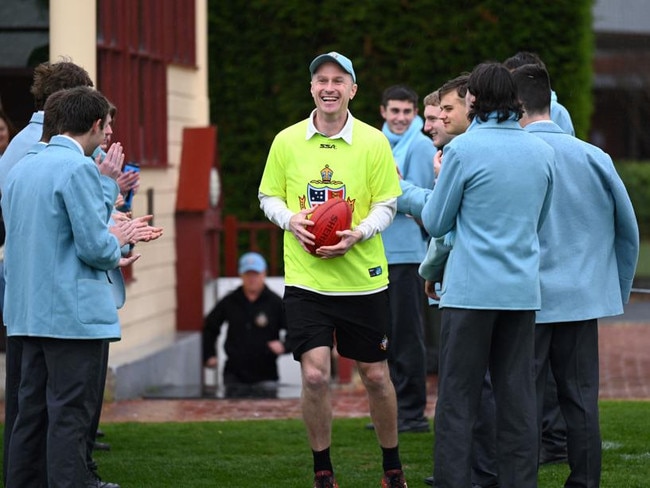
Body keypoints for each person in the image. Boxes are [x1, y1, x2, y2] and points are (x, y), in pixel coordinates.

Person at [258, 51, 408, 488]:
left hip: (363, 280)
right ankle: (323, 471)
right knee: (315, 373)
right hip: (307, 279)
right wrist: (291, 220)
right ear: (311, 88)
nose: (329, 87)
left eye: (338, 81)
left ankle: (391, 466)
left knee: (376, 377)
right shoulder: (286, 141)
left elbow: (388, 204)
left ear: (352, 90)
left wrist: (358, 233)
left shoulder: (373, 142)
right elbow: (269, 197)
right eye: (321, 79)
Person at [2, 86, 147, 488]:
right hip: (71, 316)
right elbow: (94, 246)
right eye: (106, 126)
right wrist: (120, 237)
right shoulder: (78, 168)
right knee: (69, 416)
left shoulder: (21, 167)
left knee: (28, 415)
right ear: (96, 124)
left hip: (26, 313)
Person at [419, 62, 555, 488]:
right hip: (520, 294)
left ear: (473, 99)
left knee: (458, 401)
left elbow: (438, 221)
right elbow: (540, 221)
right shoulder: (541, 151)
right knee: (518, 401)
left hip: (470, 294)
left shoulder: (462, 151)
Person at [512, 62, 639, 488]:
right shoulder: (593, 155)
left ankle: (520, 480)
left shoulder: (514, 155)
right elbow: (628, 231)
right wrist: (614, 290)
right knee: (582, 401)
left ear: (516, 105)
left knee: (522, 402)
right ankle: (585, 483)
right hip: (582, 299)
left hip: (526, 299)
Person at [504, 50, 576, 465]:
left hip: (543, 246)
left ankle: (551, 440)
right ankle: (545, 439)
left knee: (542, 361)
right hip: (541, 247)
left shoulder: (554, 116)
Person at [372, 84, 436, 434]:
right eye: (394, 111)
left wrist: (390, 195)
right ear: (383, 111)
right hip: (376, 253)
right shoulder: (372, 141)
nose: (400, 118)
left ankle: (412, 413)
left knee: (409, 336)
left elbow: (423, 203)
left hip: (409, 255)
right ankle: (390, 411)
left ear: (415, 114)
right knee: (384, 337)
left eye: (407, 112)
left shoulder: (422, 145)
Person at [202, 251, 287, 397]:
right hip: (234, 374)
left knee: (268, 412)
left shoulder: (275, 302)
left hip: (266, 373)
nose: (252, 279)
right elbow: (210, 327)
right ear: (241, 275)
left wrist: (285, 346)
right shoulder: (230, 301)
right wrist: (209, 355)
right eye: (248, 274)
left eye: (256, 274)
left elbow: (294, 329)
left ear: (264, 274)